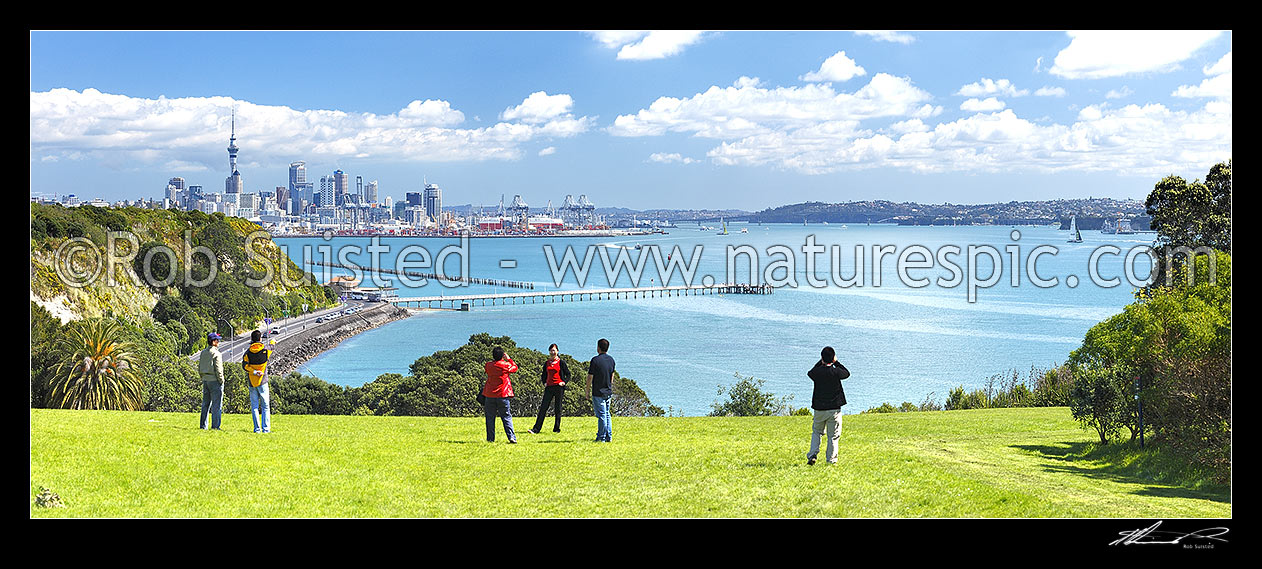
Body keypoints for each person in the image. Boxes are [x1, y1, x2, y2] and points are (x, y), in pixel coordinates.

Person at [806, 346, 850, 465]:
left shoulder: (817, 372)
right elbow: (847, 373)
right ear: (833, 358)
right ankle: (831, 460)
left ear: (822, 358)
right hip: (834, 409)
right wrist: (836, 362)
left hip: (819, 408)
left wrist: (820, 362)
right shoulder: (836, 372)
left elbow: (810, 372)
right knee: (833, 436)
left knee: (817, 432)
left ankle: (813, 454)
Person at [529, 344, 571, 434]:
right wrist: (544, 382)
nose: (552, 352)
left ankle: (556, 429)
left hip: (559, 387)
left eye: (554, 350)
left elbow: (568, 374)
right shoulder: (547, 363)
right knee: (543, 408)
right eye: (551, 350)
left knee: (557, 408)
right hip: (549, 387)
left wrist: (564, 382)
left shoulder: (561, 362)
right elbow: (543, 375)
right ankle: (536, 429)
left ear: (557, 351)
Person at [483, 346, 518, 443]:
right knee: (506, 416)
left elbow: (487, 370)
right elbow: (515, 368)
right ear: (502, 355)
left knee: (490, 418)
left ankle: (490, 439)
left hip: (490, 394)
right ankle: (511, 437)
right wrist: (509, 359)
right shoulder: (505, 365)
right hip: (503, 394)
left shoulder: (488, 365)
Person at [241, 330, 272, 433]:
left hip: (252, 381)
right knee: (265, 406)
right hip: (263, 380)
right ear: (260, 339)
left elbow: (244, 366)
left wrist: (254, 372)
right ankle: (266, 429)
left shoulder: (248, 352)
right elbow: (272, 346)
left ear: (252, 339)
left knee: (254, 406)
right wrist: (273, 341)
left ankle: (257, 429)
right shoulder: (266, 350)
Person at [585, 338, 615, 443]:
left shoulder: (595, 360)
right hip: (608, 391)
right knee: (607, 414)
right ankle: (608, 436)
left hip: (598, 392)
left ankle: (601, 437)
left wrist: (587, 391)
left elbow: (590, 377)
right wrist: (610, 386)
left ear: (598, 348)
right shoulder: (611, 360)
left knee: (602, 415)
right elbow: (612, 375)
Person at [198, 332, 225, 430]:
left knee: (205, 404)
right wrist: (221, 380)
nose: (218, 342)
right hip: (214, 380)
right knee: (216, 405)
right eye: (217, 340)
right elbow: (218, 369)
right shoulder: (216, 353)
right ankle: (215, 426)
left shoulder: (203, 352)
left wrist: (202, 376)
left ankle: (203, 425)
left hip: (205, 379)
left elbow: (200, 366)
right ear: (213, 342)